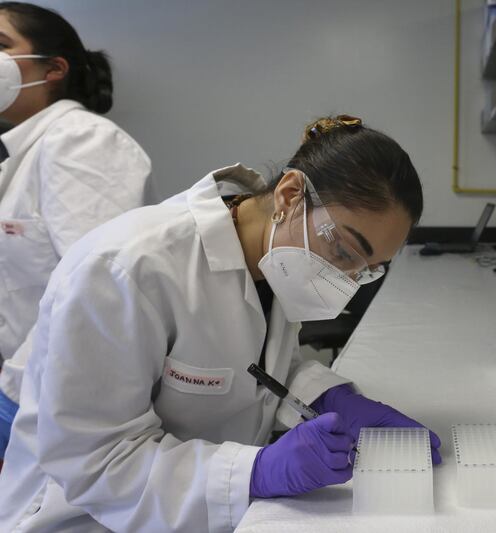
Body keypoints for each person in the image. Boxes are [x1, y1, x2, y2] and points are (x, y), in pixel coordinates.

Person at [0, 114, 441, 532]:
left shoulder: (279, 258)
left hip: (198, 513)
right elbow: (96, 462)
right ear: (290, 195)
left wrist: (330, 398)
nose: (345, 280)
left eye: (368, 270)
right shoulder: (125, 270)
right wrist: (256, 473)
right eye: (345, 251)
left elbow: (252, 365)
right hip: (84, 518)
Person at [0, 1, 152, 463]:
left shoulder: (82, 142)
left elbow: (94, 288)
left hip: (40, 402)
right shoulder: (24, 151)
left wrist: (10, 407)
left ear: (54, 69)